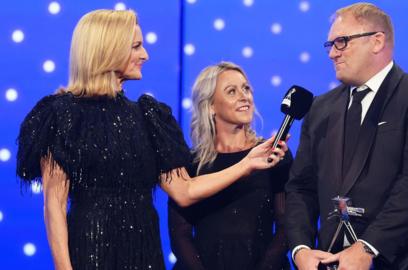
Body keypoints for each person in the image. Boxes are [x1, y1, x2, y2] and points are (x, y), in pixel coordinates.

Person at [16, 10, 287, 270]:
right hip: (90, 251)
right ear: (108, 49)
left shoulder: (147, 116)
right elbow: (54, 205)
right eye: (136, 46)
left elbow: (185, 191)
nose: (144, 54)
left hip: (144, 252)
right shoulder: (61, 116)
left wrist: (247, 164)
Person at [285, 2, 408, 270]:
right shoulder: (320, 108)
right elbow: (300, 187)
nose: (332, 54)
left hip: (405, 259)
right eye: (329, 45)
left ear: (377, 41)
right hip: (330, 260)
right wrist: (300, 249)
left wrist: (367, 247)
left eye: (341, 42)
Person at [168, 62, 292, 270]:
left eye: (246, 88)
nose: (244, 96)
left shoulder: (273, 154)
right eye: (231, 91)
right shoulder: (190, 165)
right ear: (210, 106)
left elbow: (286, 226)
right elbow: (180, 235)